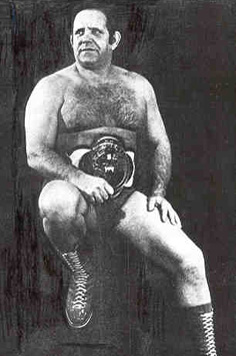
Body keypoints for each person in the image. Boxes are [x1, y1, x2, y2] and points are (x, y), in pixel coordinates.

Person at [25, 3, 218, 355]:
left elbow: (159, 142)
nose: (85, 38)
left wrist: (158, 193)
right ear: (70, 40)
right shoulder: (53, 87)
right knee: (54, 203)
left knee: (191, 260)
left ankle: (209, 351)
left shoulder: (138, 87)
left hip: (125, 201)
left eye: (95, 31)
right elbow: (36, 153)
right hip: (76, 198)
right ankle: (81, 272)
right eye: (78, 32)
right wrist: (80, 178)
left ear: (113, 39)